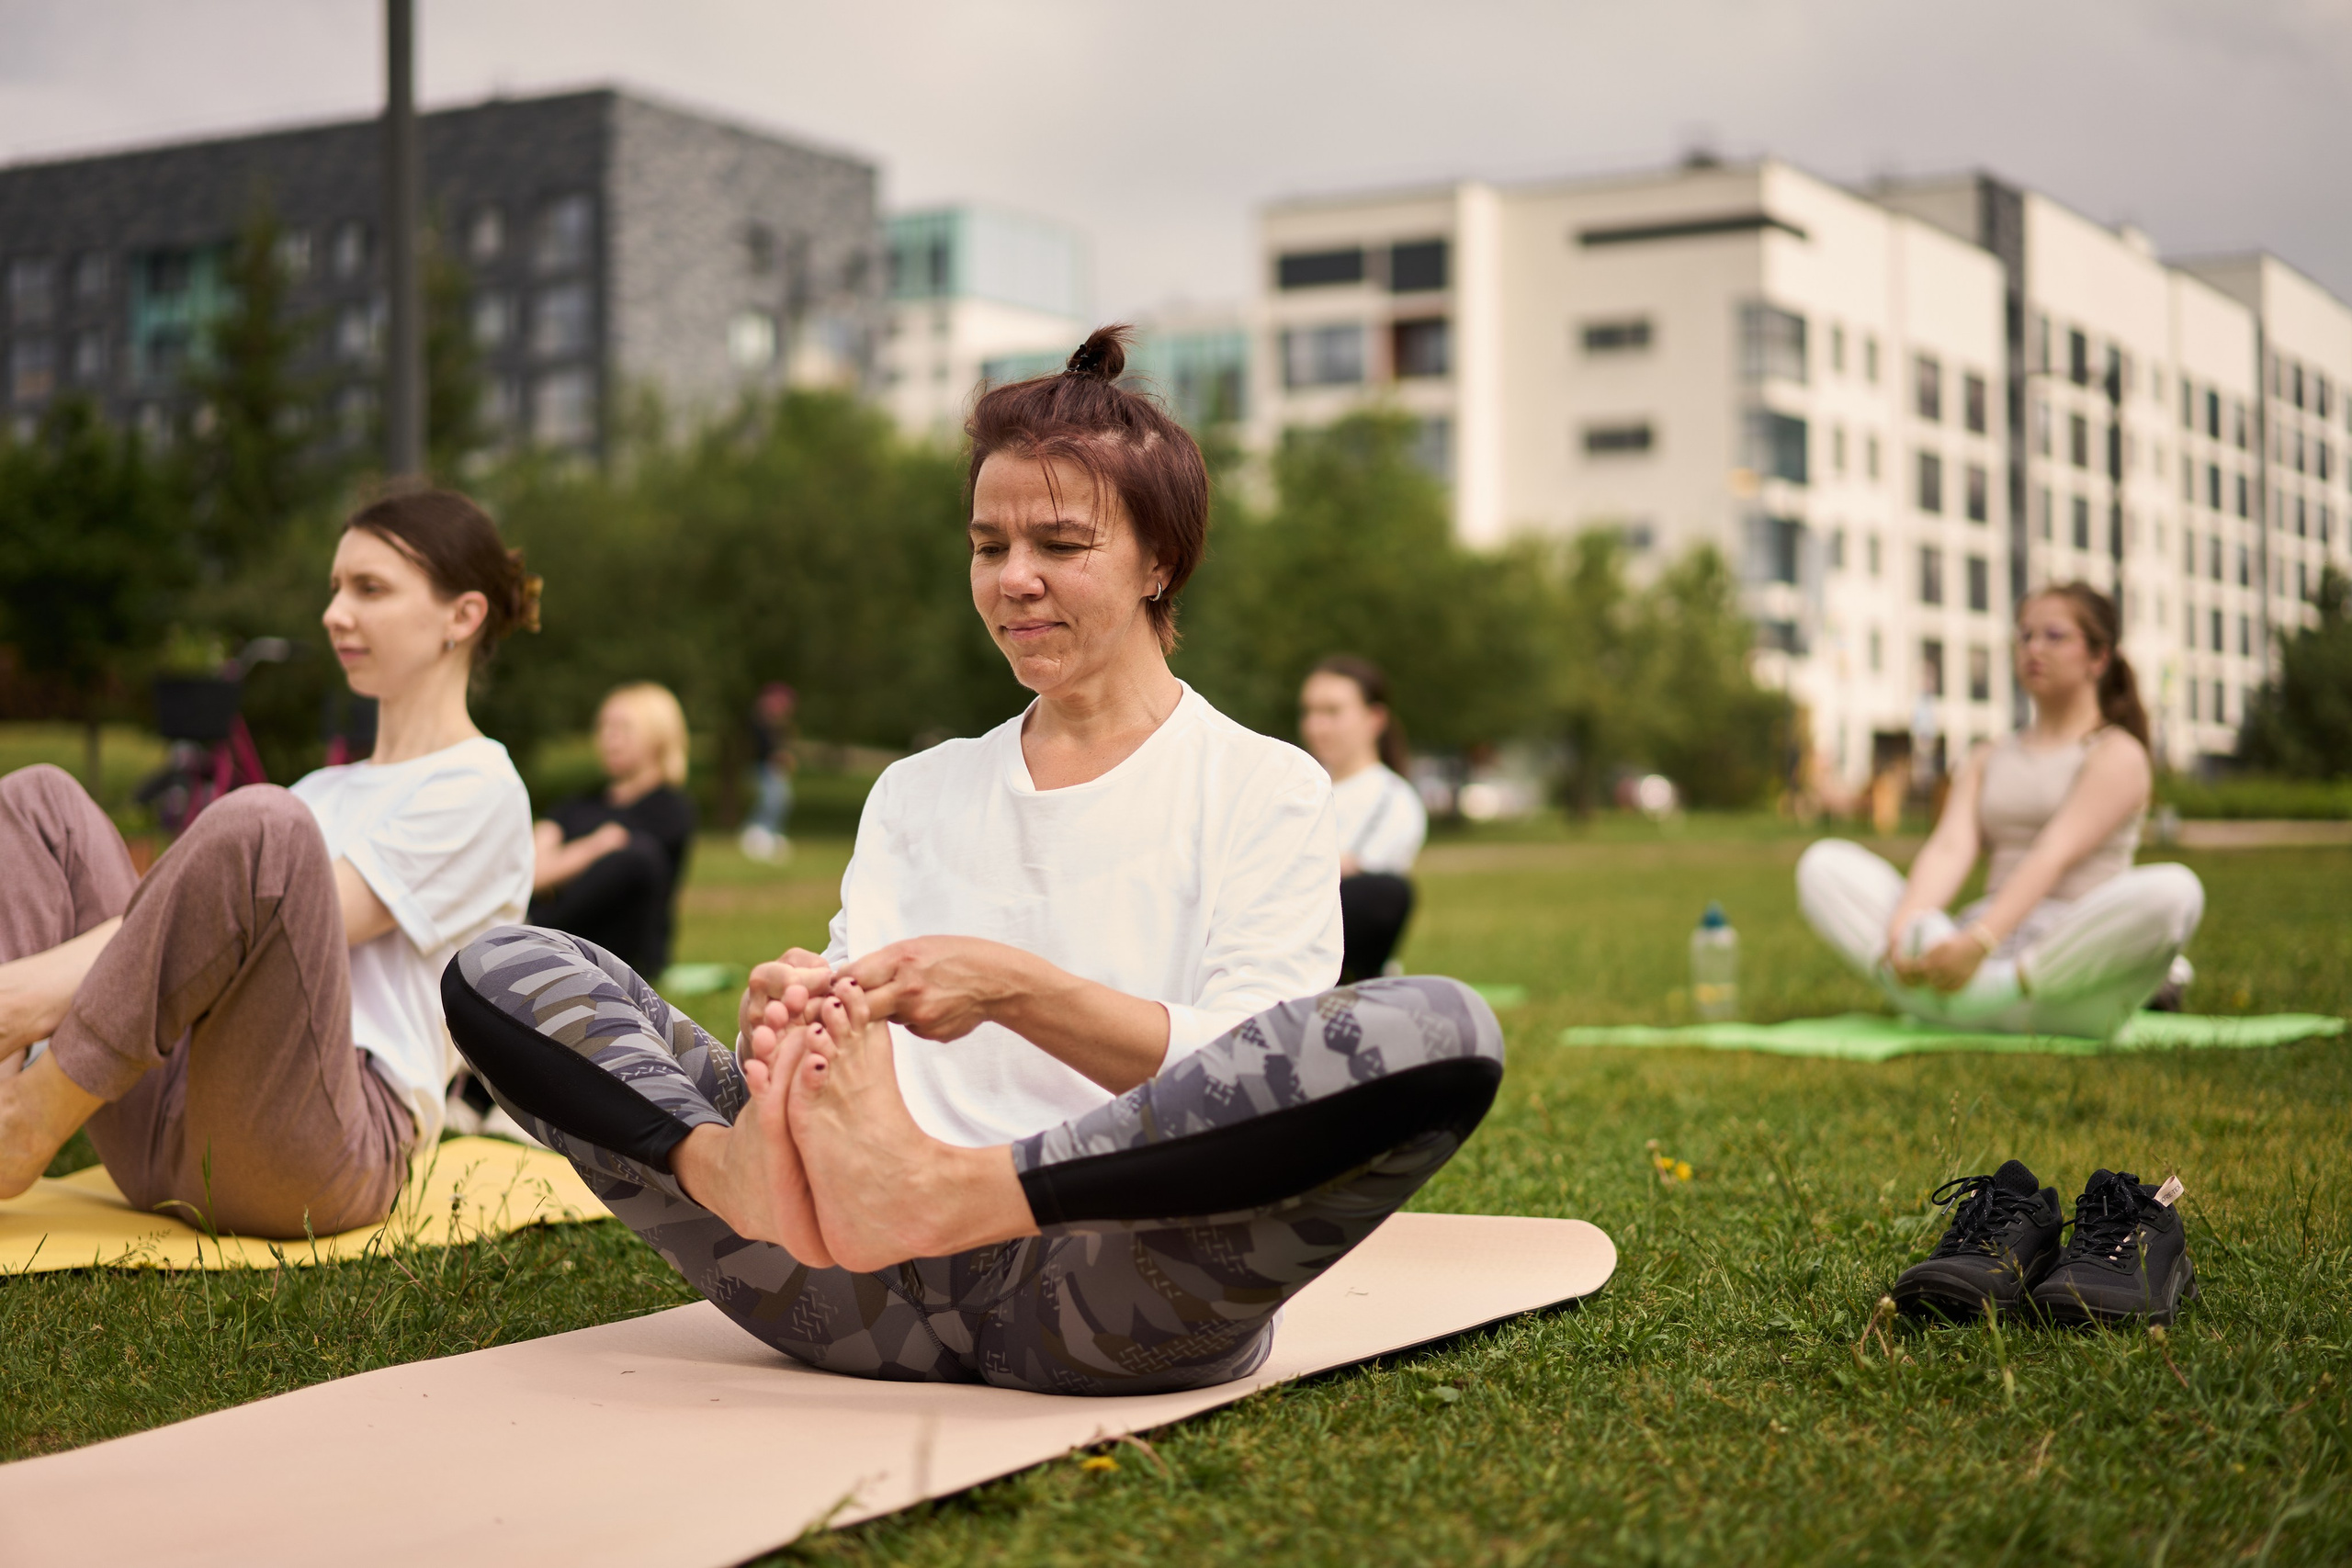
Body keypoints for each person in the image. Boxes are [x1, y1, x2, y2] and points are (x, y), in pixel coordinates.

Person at [444, 325, 1504, 1397]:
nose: (1015, 581)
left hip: (1108, 1294)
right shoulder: (916, 791)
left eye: (1060, 545)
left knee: (1437, 1033)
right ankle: (734, 1179)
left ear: (1159, 562)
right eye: (989, 547)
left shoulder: (1263, 787)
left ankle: (959, 1192)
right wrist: (801, 1032)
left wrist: (1012, 991)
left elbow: (1253, 1072)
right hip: (845, 1280)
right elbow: (856, 1039)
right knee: (504, 971)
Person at [0, 489, 537, 1236]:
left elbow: (320, 912)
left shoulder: (482, 785)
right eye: (335, 588)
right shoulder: (321, 788)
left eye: (369, 589)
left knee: (266, 827)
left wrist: (23, 998)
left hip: (319, 1148)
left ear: (463, 615)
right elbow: (160, 935)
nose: (335, 613)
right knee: (39, 800)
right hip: (170, 1112)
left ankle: (33, 1099)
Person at [1797, 582, 2203, 1041]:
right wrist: (1902, 932)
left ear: (2098, 658)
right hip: (1979, 952)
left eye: (2054, 636)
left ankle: (1986, 994)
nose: (2034, 648)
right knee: (1823, 864)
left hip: (2067, 973)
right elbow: (1949, 848)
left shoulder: (2116, 754)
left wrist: (1978, 944)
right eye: (2025, 635)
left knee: (2177, 891)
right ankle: (1922, 975)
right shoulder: (1988, 756)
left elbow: (2052, 852)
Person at [527, 682, 695, 980]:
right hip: (561, 939)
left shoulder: (669, 809)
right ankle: (537, 936)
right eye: (604, 727)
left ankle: (534, 935)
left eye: (623, 728)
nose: (609, 738)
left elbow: (626, 873)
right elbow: (530, 869)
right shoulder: (577, 803)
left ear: (657, 738)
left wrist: (563, 865)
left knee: (638, 856)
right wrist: (596, 846)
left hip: (623, 958)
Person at [1299, 656, 1427, 982]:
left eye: (1332, 712)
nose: (1315, 726)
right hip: (1280, 925)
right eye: (1309, 712)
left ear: (1374, 719)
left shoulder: (1394, 800)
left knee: (1386, 891)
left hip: (1334, 942)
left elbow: (1360, 887)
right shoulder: (1292, 786)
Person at [738, 682, 796, 863]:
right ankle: (756, 834)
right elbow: (763, 751)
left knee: (781, 800)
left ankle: (766, 834)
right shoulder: (759, 723)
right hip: (761, 768)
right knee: (771, 801)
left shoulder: (776, 727)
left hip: (772, 770)